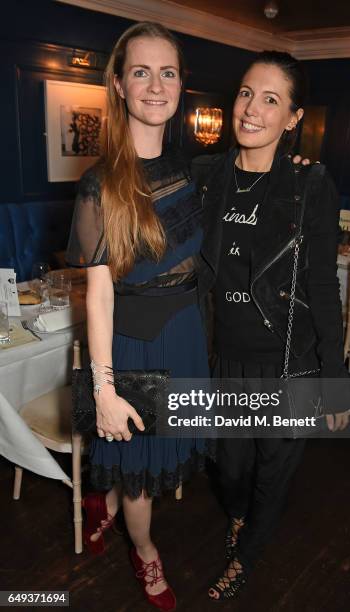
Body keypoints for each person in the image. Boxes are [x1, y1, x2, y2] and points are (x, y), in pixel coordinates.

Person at [192, 50, 350, 600]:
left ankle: (249, 554)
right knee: (230, 468)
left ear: (293, 118)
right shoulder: (205, 177)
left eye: (270, 99)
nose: (251, 109)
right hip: (225, 360)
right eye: (244, 93)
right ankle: (238, 515)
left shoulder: (310, 187)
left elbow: (324, 288)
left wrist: (335, 376)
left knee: (274, 472)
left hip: (290, 364)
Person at [66, 22, 211, 612]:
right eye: (142, 71)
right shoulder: (99, 185)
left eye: (168, 72)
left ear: (181, 86)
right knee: (139, 468)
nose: (157, 85)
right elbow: (98, 296)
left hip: (186, 338)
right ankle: (145, 551)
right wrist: (101, 388)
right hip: (134, 347)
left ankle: (104, 504)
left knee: (159, 456)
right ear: (120, 85)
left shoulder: (193, 167)